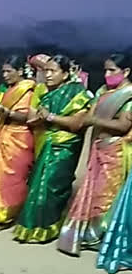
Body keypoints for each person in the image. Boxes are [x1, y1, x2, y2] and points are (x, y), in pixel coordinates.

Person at [12, 55, 92, 244]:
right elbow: (32, 120)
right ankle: (33, 227)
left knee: (54, 186)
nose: (47, 75)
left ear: (64, 74)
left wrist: (50, 117)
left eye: (52, 71)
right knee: (38, 185)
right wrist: (40, 118)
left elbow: (77, 123)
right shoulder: (41, 90)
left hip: (66, 146)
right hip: (45, 141)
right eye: (45, 71)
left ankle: (51, 226)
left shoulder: (76, 92)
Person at [58, 53, 132, 255]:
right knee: (92, 191)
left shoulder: (129, 94)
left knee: (107, 194)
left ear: (126, 72)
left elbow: (124, 125)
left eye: (112, 70)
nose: (107, 74)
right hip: (98, 147)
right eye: (105, 70)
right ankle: (89, 234)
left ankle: (103, 235)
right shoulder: (102, 91)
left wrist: (94, 122)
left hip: (116, 150)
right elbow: (89, 115)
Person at [0, 55, 37, 230]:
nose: (5, 75)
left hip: (19, 137)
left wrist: (4, 111)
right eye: (3, 71)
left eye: (9, 71)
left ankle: (7, 215)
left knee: (13, 177)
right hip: (4, 134)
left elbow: (26, 116)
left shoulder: (27, 89)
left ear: (20, 71)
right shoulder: (7, 89)